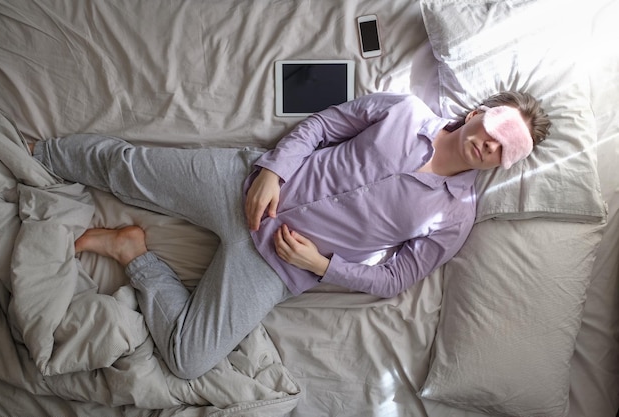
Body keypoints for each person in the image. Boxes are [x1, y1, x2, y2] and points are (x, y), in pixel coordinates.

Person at [30, 91, 550, 380]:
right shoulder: (404, 110)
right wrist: (274, 173)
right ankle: (41, 157)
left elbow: (396, 277)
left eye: (505, 152)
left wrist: (323, 267)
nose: (490, 146)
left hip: (279, 263)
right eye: (496, 130)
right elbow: (322, 126)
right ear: (480, 112)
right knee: (128, 167)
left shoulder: (456, 216)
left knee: (188, 359)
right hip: (245, 186)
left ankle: (133, 252)